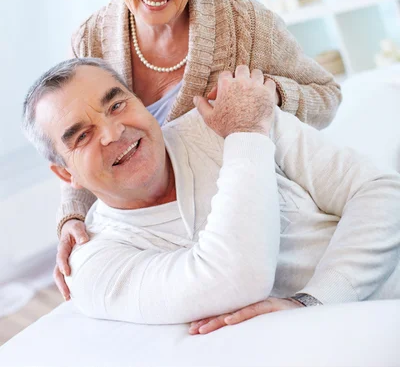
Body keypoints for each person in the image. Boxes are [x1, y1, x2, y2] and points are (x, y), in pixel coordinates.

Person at [56, 0, 342, 299]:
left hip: (249, 220)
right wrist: (71, 216)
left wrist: (265, 96)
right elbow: (78, 141)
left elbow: (326, 96)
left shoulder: (245, 22)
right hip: (155, 239)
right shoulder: (91, 39)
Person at [23, 58, 400, 333]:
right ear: (65, 173)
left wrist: (317, 299)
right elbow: (236, 278)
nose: (113, 132)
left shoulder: (228, 119)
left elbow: (379, 189)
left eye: (117, 104)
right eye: (82, 136)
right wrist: (248, 137)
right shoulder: (90, 266)